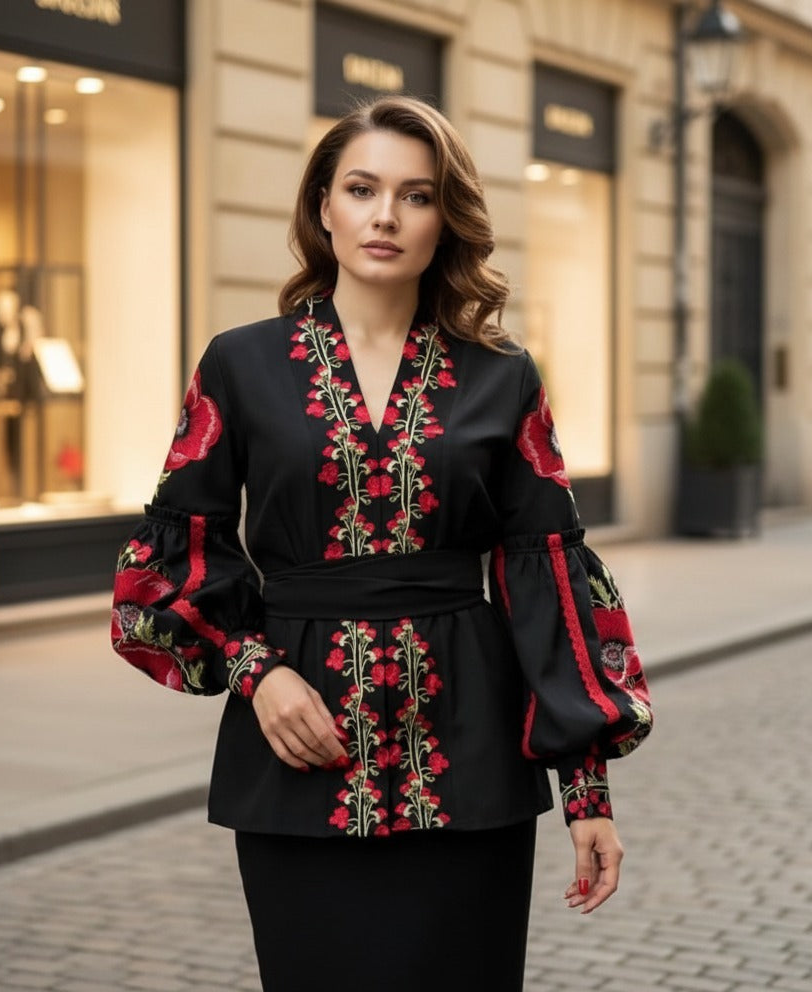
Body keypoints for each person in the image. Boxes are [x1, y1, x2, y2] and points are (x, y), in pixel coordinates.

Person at [111, 95, 652, 992]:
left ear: (447, 220)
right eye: (362, 188)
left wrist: (587, 794)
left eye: (417, 195)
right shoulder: (238, 364)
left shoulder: (502, 376)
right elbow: (175, 557)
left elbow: (545, 574)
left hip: (469, 752)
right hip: (297, 743)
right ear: (323, 205)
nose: (386, 216)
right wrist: (258, 670)